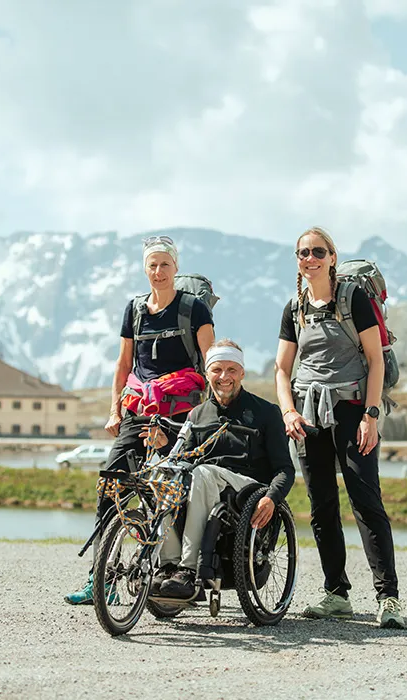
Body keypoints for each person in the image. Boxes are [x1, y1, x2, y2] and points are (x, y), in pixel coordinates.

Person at [65, 234, 215, 605]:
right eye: (152, 265)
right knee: (112, 485)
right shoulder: (133, 310)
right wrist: (115, 409)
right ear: (144, 269)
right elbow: (123, 365)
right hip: (139, 410)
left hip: (181, 412)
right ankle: (103, 580)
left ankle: (180, 573)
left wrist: (210, 413)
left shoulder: (193, 308)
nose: (159, 271)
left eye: (165, 264)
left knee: (177, 491)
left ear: (175, 268)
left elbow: (210, 361)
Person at [274, 226, 406, 629]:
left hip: (352, 410)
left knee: (366, 503)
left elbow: (375, 360)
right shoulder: (293, 307)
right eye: (302, 253)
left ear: (332, 256)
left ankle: (389, 599)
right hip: (308, 415)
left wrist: (371, 415)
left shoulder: (354, 299)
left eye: (317, 251)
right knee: (322, 506)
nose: (309, 258)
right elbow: (282, 368)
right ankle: (336, 594)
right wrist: (288, 413)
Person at [143, 339, 296, 600]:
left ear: (242, 373)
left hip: (246, 491)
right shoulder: (196, 416)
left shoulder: (267, 413)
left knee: (204, 473)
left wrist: (272, 497)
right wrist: (163, 448)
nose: (224, 377)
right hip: (205, 489)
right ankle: (167, 566)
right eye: (217, 370)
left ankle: (188, 571)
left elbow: (285, 469)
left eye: (231, 370)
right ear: (207, 374)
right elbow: (181, 460)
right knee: (163, 475)